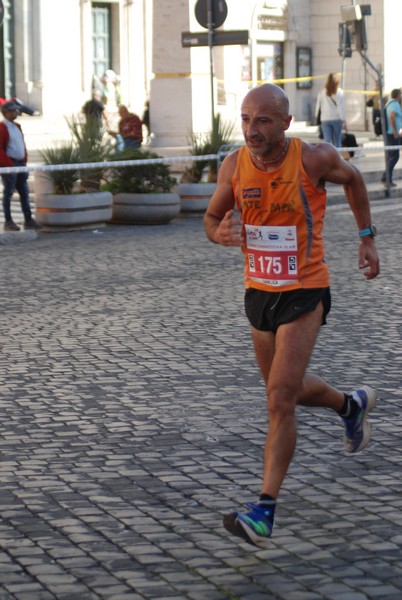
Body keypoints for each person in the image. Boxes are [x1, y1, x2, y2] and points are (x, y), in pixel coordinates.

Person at [204, 83, 380, 549]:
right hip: (259, 292)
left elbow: (356, 179)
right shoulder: (233, 165)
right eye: (245, 119)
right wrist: (219, 232)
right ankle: (350, 404)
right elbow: (211, 218)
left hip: (305, 288)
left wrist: (366, 236)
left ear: (285, 122)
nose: (251, 129)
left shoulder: (312, 158)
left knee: (279, 398)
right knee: (288, 390)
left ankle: (263, 511)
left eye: (262, 120)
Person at [0, 100, 41, 231]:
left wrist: (24, 160)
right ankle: (8, 220)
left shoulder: (17, 126)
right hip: (10, 164)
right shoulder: (2, 127)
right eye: (13, 111)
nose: (16, 113)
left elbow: (22, 144)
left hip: (20, 164)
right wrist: (9, 164)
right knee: (8, 193)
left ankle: (28, 219)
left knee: (24, 192)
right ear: (6, 112)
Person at [315, 73, 346, 147]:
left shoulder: (322, 92)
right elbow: (340, 107)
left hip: (325, 119)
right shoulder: (339, 92)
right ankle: (336, 157)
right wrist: (343, 119)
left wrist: (317, 116)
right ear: (337, 81)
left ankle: (328, 157)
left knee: (327, 141)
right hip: (336, 118)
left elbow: (318, 105)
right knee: (337, 141)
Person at [381, 88, 402, 188]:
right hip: (393, 134)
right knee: (395, 156)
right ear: (398, 95)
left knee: (391, 156)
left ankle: (386, 178)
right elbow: (392, 116)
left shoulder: (389, 103)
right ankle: (386, 178)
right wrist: (395, 131)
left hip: (390, 134)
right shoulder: (395, 104)